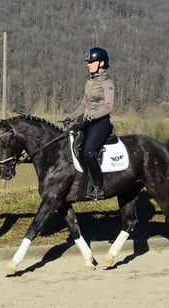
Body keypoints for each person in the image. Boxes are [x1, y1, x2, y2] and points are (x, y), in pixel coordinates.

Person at [64, 46, 114, 201]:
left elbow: (108, 107)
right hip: (87, 122)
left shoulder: (107, 83)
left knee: (89, 152)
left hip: (101, 123)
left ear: (101, 63)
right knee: (75, 147)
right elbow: (84, 105)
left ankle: (99, 188)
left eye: (91, 62)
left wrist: (92, 117)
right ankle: (83, 183)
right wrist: (71, 116)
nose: (88, 64)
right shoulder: (89, 82)